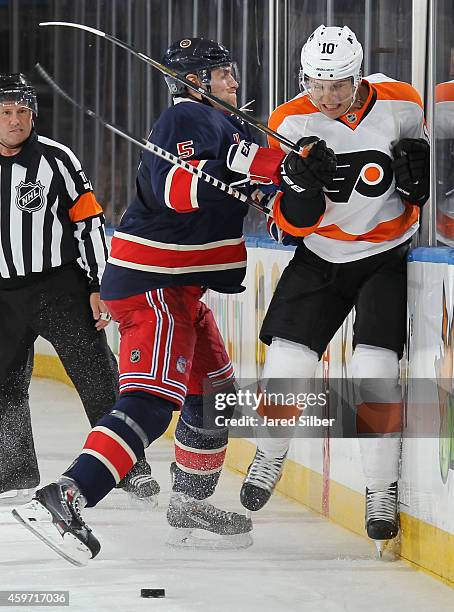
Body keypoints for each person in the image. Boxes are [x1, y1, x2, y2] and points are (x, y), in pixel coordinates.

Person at [12, 38, 288, 564]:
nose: (233, 81)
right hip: (153, 284)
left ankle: (188, 505)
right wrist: (261, 176)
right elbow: (180, 191)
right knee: (151, 404)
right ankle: (67, 495)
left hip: (179, 289)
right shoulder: (187, 118)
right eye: (222, 73)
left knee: (212, 389)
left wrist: (276, 186)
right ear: (195, 83)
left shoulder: (222, 125)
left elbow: (242, 176)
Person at [236, 25, 429, 552]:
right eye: (315, 84)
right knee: (288, 365)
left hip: (384, 255)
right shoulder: (288, 119)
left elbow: (421, 181)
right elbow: (289, 222)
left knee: (376, 372)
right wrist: (298, 188)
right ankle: (271, 453)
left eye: (337, 85)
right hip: (320, 256)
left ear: (358, 75)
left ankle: (380, 491)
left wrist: (421, 179)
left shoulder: (403, 102)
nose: (325, 97)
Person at [0, 73, 157, 505]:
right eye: (6, 112)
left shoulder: (57, 159)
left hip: (59, 288)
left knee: (96, 374)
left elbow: (88, 222)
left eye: (23, 112)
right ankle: (12, 472)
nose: (15, 121)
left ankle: (130, 468)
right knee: (5, 384)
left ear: (34, 114)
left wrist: (97, 284)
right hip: (3, 297)